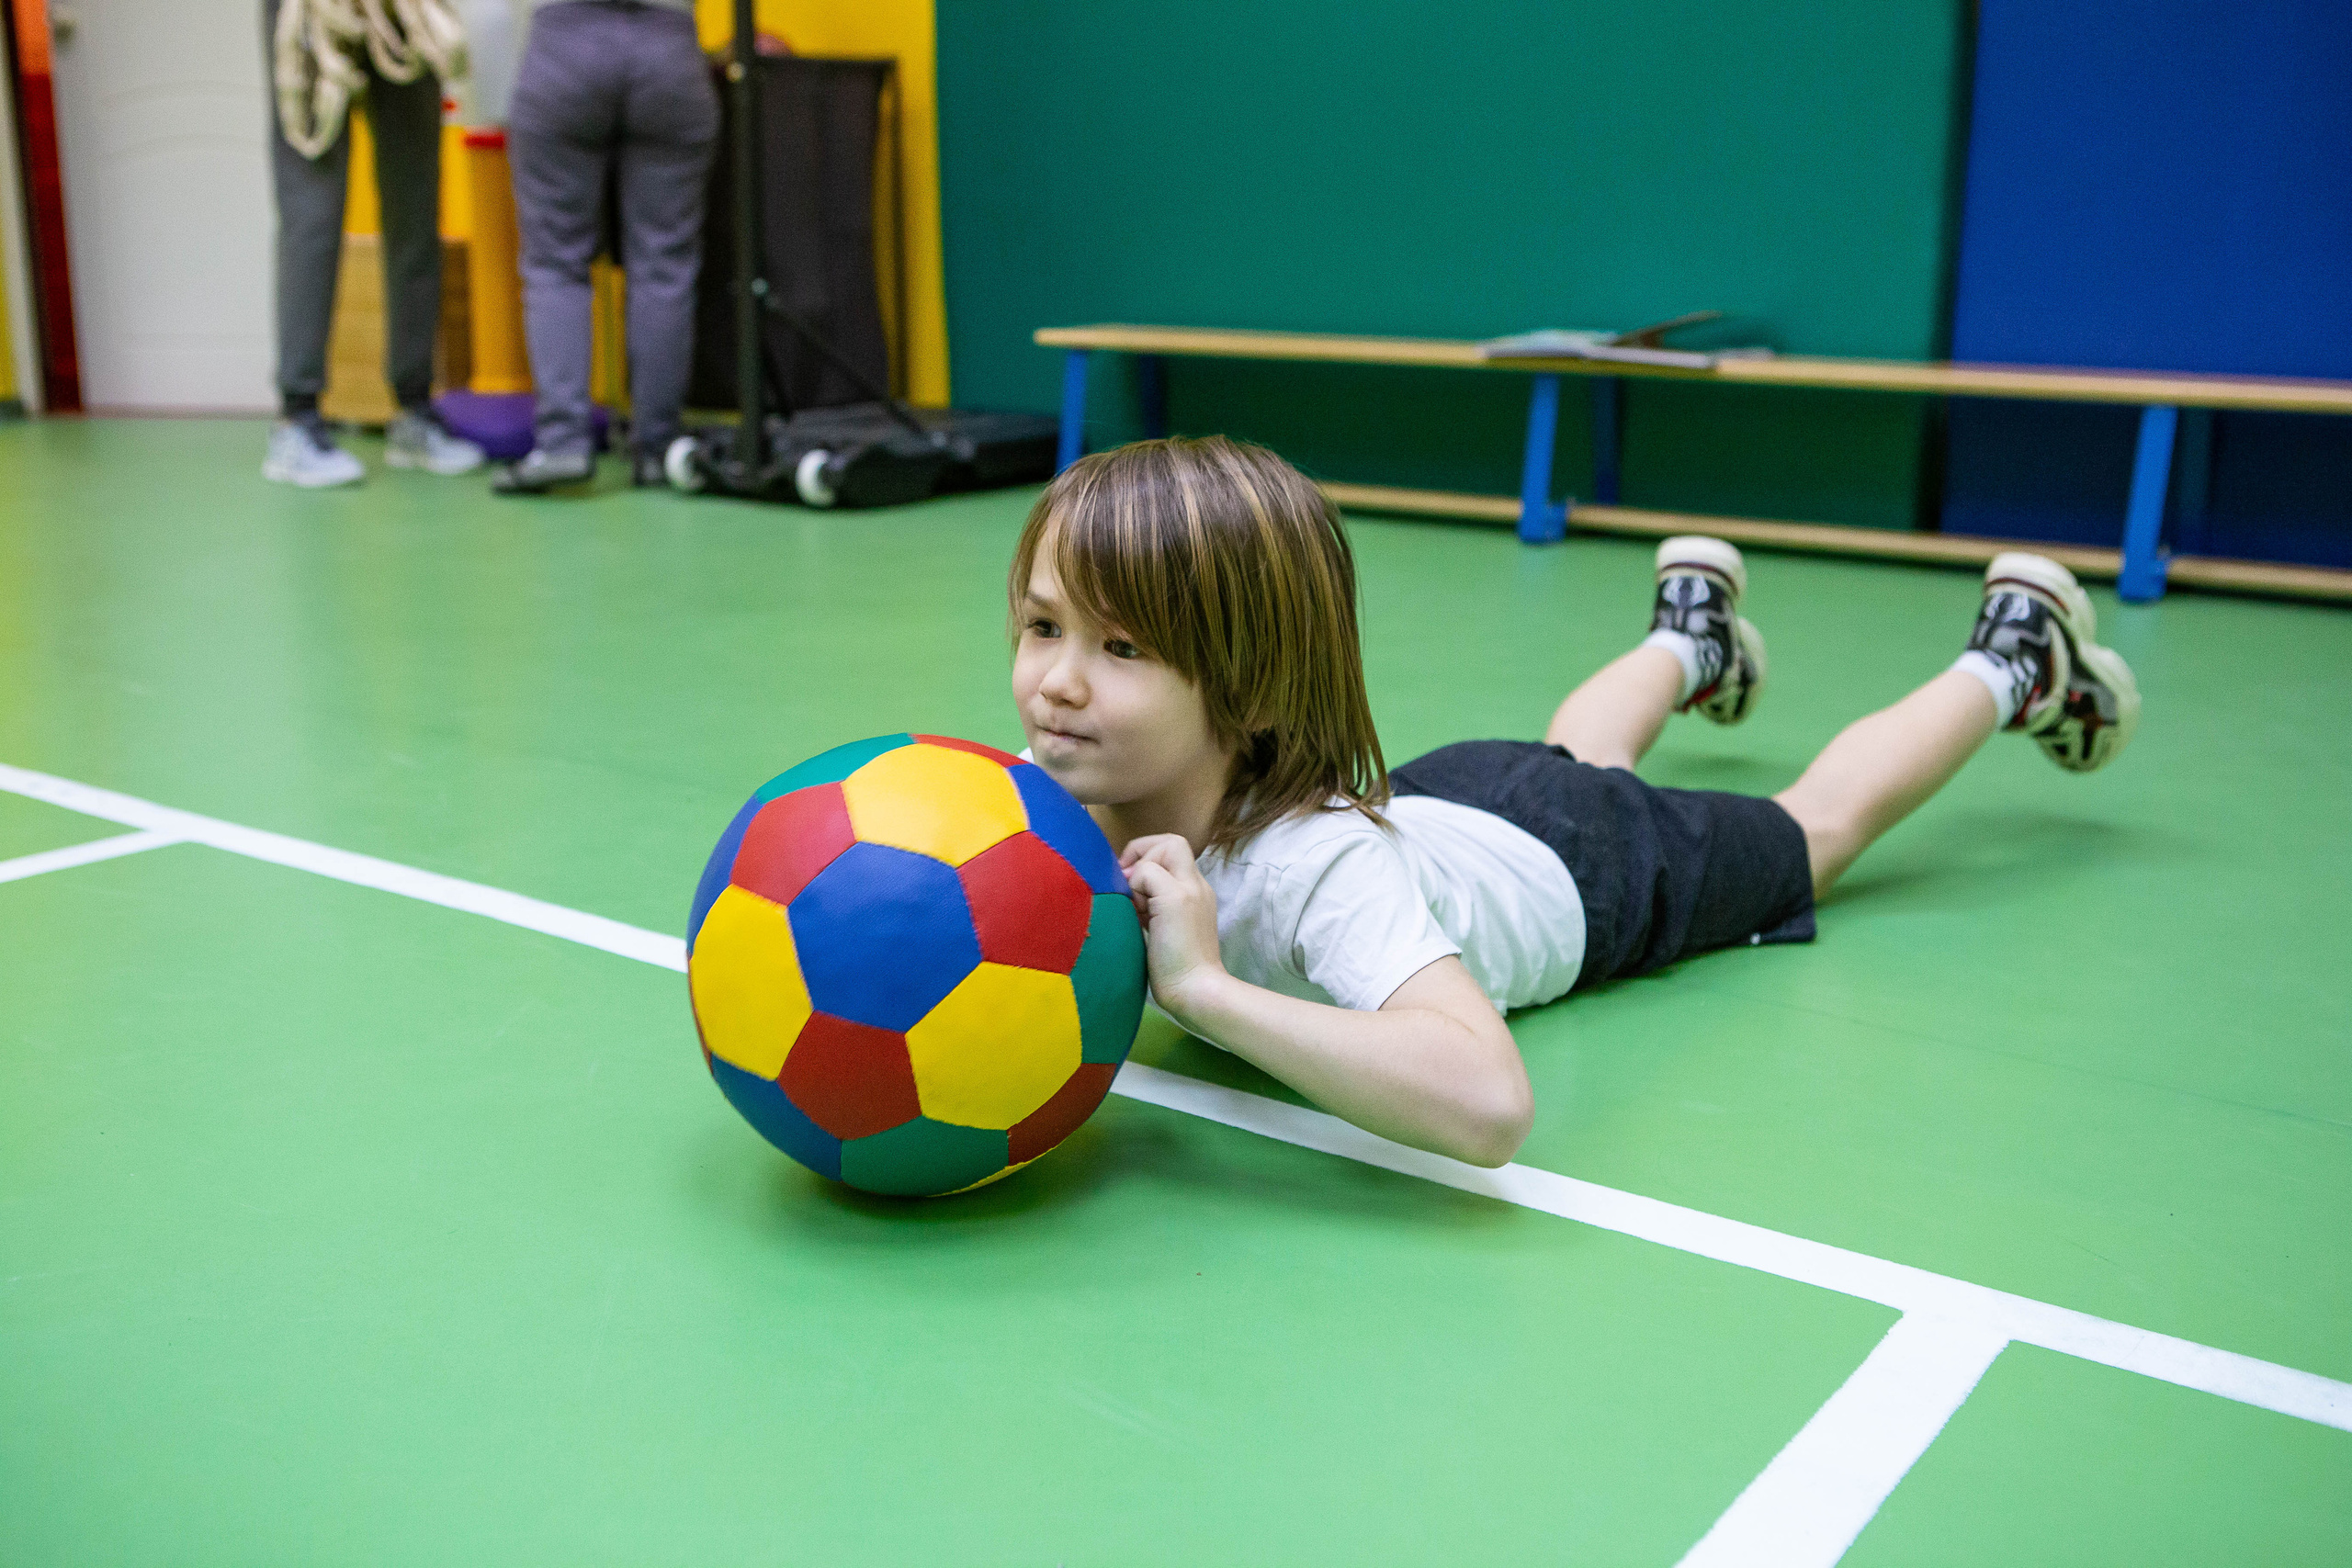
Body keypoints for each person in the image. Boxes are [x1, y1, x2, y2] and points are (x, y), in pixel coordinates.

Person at [1010, 436, 2140, 1168]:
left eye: (1121, 647)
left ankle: (2014, 664)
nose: (1058, 680)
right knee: (1578, 747)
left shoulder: (1312, 874)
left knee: (1814, 827)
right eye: (1044, 624)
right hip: (1447, 800)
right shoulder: (1049, 789)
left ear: (1248, 686)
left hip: (1584, 869)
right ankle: (1687, 639)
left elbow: (1485, 1104)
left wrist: (1206, 990)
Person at [492, 0, 718, 494]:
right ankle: (659, 449)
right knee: (665, 264)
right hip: (669, 46)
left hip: (564, 46)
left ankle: (562, 444)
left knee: (555, 262)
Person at [263, 0, 485, 487]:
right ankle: (297, 420)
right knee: (312, 212)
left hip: (402, 12)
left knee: (416, 207)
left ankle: (414, 411)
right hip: (309, 12)